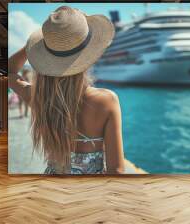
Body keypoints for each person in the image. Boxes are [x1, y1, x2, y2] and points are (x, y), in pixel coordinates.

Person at [9, 6, 125, 174]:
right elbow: (117, 170)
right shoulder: (107, 100)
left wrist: (33, 47)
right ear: (88, 55)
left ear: (45, 57)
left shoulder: (40, 97)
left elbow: (9, 71)